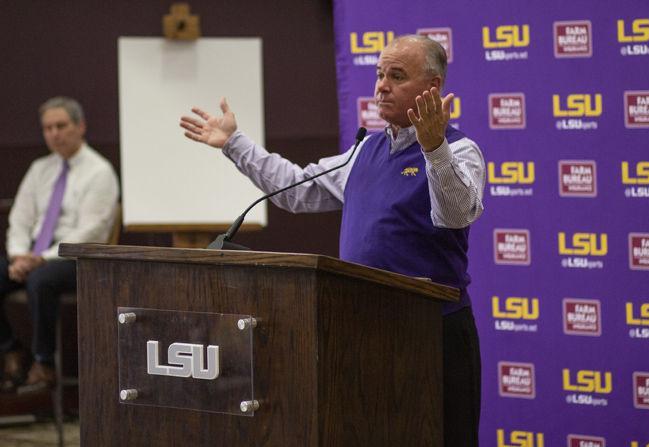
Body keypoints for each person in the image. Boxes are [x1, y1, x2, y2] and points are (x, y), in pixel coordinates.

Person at [180, 35, 485, 446]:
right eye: (379, 75)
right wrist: (235, 144)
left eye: (397, 76)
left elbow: (453, 215)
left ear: (432, 88)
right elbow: (294, 188)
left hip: (433, 335)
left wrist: (434, 148)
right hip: (363, 328)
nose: (381, 86)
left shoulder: (462, 151)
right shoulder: (364, 151)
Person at [0, 97, 119, 393]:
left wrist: (41, 259)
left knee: (42, 279)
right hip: (31, 254)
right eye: (47, 128)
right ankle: (10, 348)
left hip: (77, 259)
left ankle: (44, 364)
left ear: (80, 127)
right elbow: (20, 218)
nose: (54, 133)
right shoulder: (40, 168)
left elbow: (90, 231)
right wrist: (18, 255)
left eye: (61, 126)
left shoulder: (99, 172)